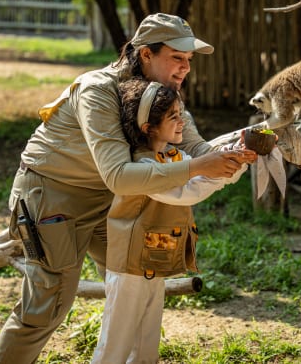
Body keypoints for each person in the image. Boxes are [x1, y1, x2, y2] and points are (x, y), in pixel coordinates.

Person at [0, 13, 256, 363]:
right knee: (47, 306)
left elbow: (197, 147)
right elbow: (119, 173)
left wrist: (235, 155)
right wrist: (196, 168)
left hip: (109, 197)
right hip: (53, 194)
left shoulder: (164, 94)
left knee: (136, 285)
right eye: (177, 57)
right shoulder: (97, 90)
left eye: (188, 60)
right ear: (145, 54)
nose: (185, 68)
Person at [92, 80, 245, 363]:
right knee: (116, 342)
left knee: (146, 340)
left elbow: (203, 177)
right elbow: (184, 192)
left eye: (181, 113)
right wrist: (215, 167)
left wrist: (237, 161)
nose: (181, 122)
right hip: (129, 264)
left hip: (154, 259)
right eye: (173, 116)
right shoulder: (142, 166)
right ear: (148, 127)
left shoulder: (175, 157)